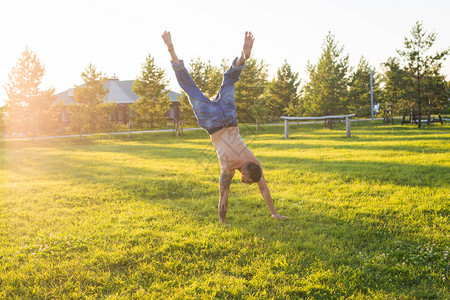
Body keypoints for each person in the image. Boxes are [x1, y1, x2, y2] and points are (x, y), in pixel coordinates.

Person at [162, 31, 287, 224]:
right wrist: (222, 220)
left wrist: (274, 212)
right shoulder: (228, 169)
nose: (246, 183)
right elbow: (224, 195)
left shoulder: (255, 162)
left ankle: (242, 59)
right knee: (190, 88)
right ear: (244, 173)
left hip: (229, 118)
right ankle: (171, 51)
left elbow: (263, 187)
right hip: (212, 123)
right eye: (247, 181)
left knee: (229, 81)